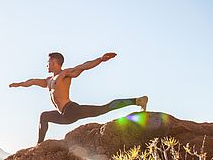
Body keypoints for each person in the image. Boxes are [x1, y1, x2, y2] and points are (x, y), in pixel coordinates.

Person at [9, 52, 148, 144]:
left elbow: (84, 66)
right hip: (64, 115)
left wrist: (100, 59)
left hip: (71, 110)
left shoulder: (65, 74)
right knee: (44, 116)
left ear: (54, 62)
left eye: (48, 62)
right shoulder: (48, 81)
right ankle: (39, 145)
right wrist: (18, 84)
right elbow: (32, 81)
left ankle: (138, 101)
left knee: (104, 109)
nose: (46, 65)